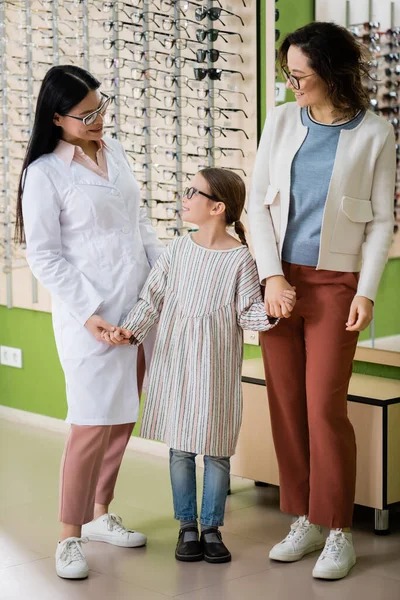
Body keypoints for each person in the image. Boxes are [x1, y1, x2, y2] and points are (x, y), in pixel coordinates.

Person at [248, 22, 396, 580]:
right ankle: (304, 518)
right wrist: (270, 276)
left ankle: (338, 530)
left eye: (301, 75)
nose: (292, 84)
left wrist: (365, 291)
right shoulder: (283, 120)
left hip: (336, 283)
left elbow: (381, 221)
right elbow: (258, 205)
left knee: (324, 407)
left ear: (332, 72)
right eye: (288, 73)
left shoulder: (375, 133)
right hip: (278, 281)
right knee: (286, 402)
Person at [16, 65, 164, 580]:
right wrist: (91, 315)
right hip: (89, 316)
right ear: (57, 118)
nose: (100, 119)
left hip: (138, 307)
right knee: (89, 424)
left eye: (102, 107)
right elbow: (46, 257)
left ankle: (101, 516)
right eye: (86, 114)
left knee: (123, 417)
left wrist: (163, 279)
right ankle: (68, 536)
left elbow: (138, 224)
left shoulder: (116, 152)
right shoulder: (45, 173)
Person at [103, 168, 296, 563]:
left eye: (193, 191)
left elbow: (248, 313)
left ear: (218, 207)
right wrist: (130, 331)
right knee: (181, 449)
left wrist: (276, 311)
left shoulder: (241, 259)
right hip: (176, 363)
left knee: (218, 449)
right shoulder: (176, 250)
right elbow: (151, 299)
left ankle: (212, 528)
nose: (184, 196)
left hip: (217, 369)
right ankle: (187, 526)